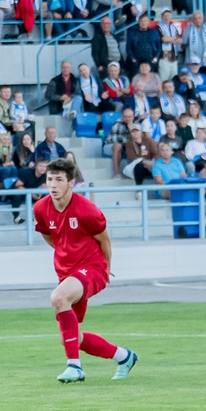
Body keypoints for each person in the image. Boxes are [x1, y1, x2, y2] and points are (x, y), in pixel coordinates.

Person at [33, 157, 137, 384]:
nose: (53, 185)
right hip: (66, 272)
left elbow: (105, 241)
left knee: (58, 298)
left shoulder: (87, 210)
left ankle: (75, 367)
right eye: (50, 179)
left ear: (71, 183)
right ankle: (125, 356)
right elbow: (49, 235)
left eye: (59, 180)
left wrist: (107, 268)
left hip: (93, 268)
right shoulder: (40, 208)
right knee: (72, 338)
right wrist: (65, 251)